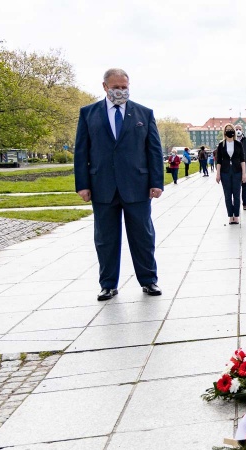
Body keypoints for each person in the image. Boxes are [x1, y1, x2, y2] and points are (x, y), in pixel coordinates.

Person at [73, 67, 163, 301]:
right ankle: (108, 284)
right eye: (116, 88)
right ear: (105, 87)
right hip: (102, 186)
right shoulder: (88, 114)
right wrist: (82, 184)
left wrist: (157, 182)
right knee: (105, 239)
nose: (121, 91)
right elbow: (81, 152)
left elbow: (153, 150)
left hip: (137, 186)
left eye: (125, 87)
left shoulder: (144, 114)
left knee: (143, 236)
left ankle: (149, 280)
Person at [214, 123, 246, 225]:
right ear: (224, 132)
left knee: (237, 194)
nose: (229, 131)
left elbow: (242, 160)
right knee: (227, 195)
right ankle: (230, 216)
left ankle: (236, 216)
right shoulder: (221, 145)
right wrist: (218, 174)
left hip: (237, 171)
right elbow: (219, 161)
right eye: (227, 129)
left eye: (231, 129)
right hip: (225, 172)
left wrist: (244, 174)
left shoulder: (238, 144)